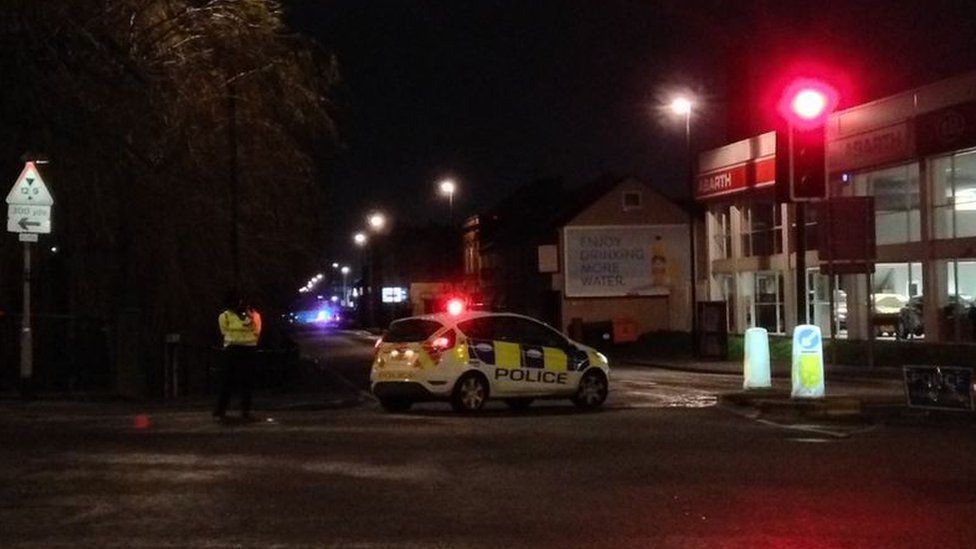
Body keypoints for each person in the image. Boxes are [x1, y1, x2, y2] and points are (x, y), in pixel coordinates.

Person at [214, 293, 262, 421]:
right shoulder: (225, 316)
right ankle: (223, 412)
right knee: (229, 382)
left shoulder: (253, 315)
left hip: (243, 349)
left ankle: (240, 411)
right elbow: (224, 331)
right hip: (236, 349)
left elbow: (257, 330)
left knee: (243, 382)